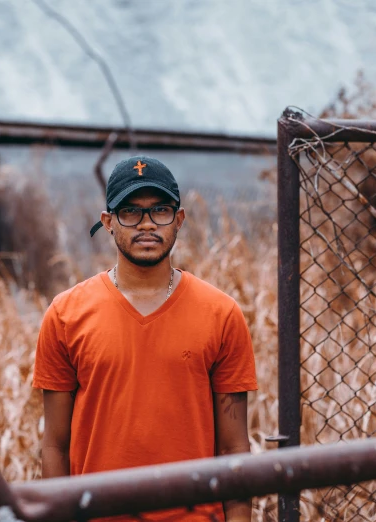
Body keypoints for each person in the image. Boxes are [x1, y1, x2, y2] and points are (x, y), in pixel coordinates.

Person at [32, 155, 257, 521]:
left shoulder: (221, 314)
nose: (147, 224)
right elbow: (55, 446)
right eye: (130, 212)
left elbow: (234, 446)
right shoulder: (66, 314)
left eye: (161, 210)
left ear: (179, 219)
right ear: (108, 222)